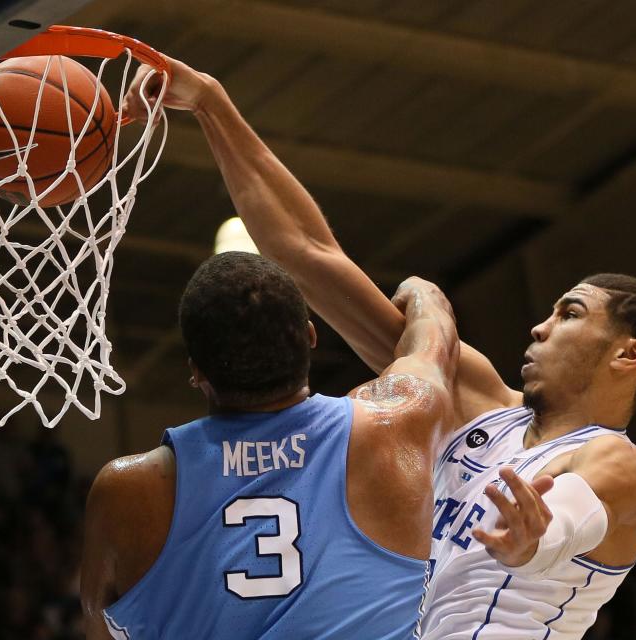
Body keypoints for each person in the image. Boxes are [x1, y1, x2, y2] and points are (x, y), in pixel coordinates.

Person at [122, 57, 636, 639]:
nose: (539, 328)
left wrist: (533, 541)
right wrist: (212, 105)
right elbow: (308, 254)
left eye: (569, 314)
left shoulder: (616, 461)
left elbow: (565, 521)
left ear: (628, 354)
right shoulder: (475, 402)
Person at [80, 251, 461, 638]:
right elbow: (436, 342)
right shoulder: (397, 423)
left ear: (196, 371)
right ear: (311, 336)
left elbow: (99, 627)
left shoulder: (126, 490)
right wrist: (421, 293)